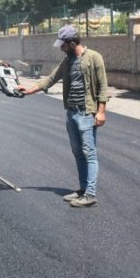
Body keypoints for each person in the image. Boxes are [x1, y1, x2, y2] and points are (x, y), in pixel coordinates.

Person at [17, 25, 109, 208]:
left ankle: (90, 193)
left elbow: (103, 87)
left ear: (72, 42)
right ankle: (83, 189)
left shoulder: (94, 58)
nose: (61, 48)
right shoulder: (66, 62)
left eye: (63, 45)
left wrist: (101, 112)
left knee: (89, 153)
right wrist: (29, 90)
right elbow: (50, 79)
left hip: (86, 112)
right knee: (77, 153)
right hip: (71, 113)